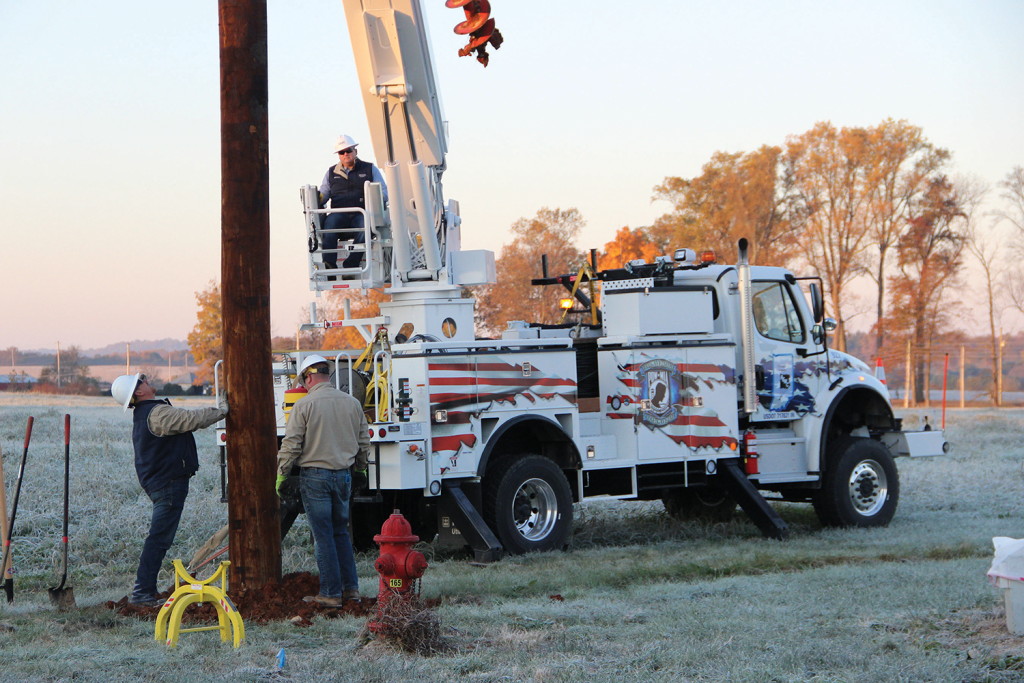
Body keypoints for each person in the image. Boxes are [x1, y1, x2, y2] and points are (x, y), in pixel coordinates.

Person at [110, 373, 228, 607]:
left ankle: (145, 591)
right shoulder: (157, 413)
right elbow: (190, 419)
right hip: (168, 483)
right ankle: (142, 593)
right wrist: (222, 410)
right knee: (159, 538)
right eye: (141, 380)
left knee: (159, 537)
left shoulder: (150, 411)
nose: (145, 379)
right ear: (139, 392)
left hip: (163, 482)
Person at [275, 355, 369, 606]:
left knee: (323, 536)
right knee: (340, 533)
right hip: (344, 476)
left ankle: (329, 593)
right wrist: (360, 470)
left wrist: (282, 475)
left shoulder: (303, 406)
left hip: (315, 477)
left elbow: (291, 445)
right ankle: (351, 590)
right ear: (328, 375)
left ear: (308, 377)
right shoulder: (352, 403)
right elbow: (363, 443)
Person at [319, 134, 389, 270]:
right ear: (338, 155)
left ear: (355, 151)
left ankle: (351, 264)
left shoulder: (369, 169)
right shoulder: (330, 173)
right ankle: (329, 265)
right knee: (328, 226)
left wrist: (378, 198)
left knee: (366, 227)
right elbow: (324, 193)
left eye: (349, 150)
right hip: (339, 214)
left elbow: (384, 192)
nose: (346, 154)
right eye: (342, 152)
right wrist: (317, 197)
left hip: (361, 213)